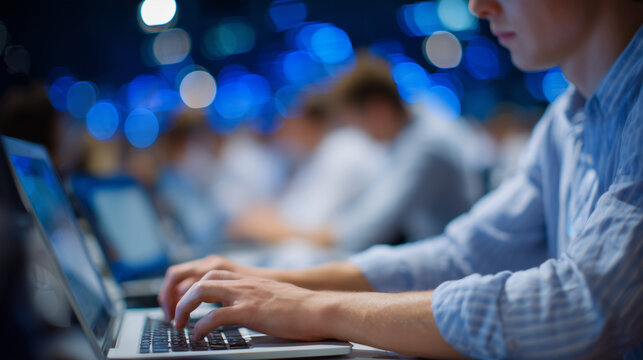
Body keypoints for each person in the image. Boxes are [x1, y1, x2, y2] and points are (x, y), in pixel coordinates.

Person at [157, 0, 643, 358]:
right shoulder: (565, 118)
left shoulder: (429, 140)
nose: (479, 5)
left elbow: (582, 307)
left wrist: (313, 307)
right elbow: (463, 254)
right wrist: (271, 282)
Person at [229, 55, 473, 252]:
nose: (358, 136)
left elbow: (365, 230)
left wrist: (277, 231)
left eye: (356, 124)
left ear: (378, 108)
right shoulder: (414, 136)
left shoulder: (425, 145)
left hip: (446, 267)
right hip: (432, 257)